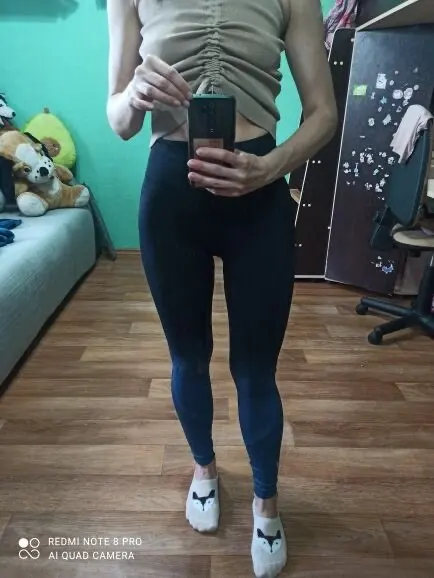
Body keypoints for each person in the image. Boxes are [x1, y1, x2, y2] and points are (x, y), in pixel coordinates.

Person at [107, 1, 337, 576]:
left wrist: (272, 168)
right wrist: (134, 94)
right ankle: (204, 470)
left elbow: (323, 112)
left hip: (258, 195)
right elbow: (119, 120)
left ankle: (266, 502)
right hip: (171, 199)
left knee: (256, 368)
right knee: (187, 355)